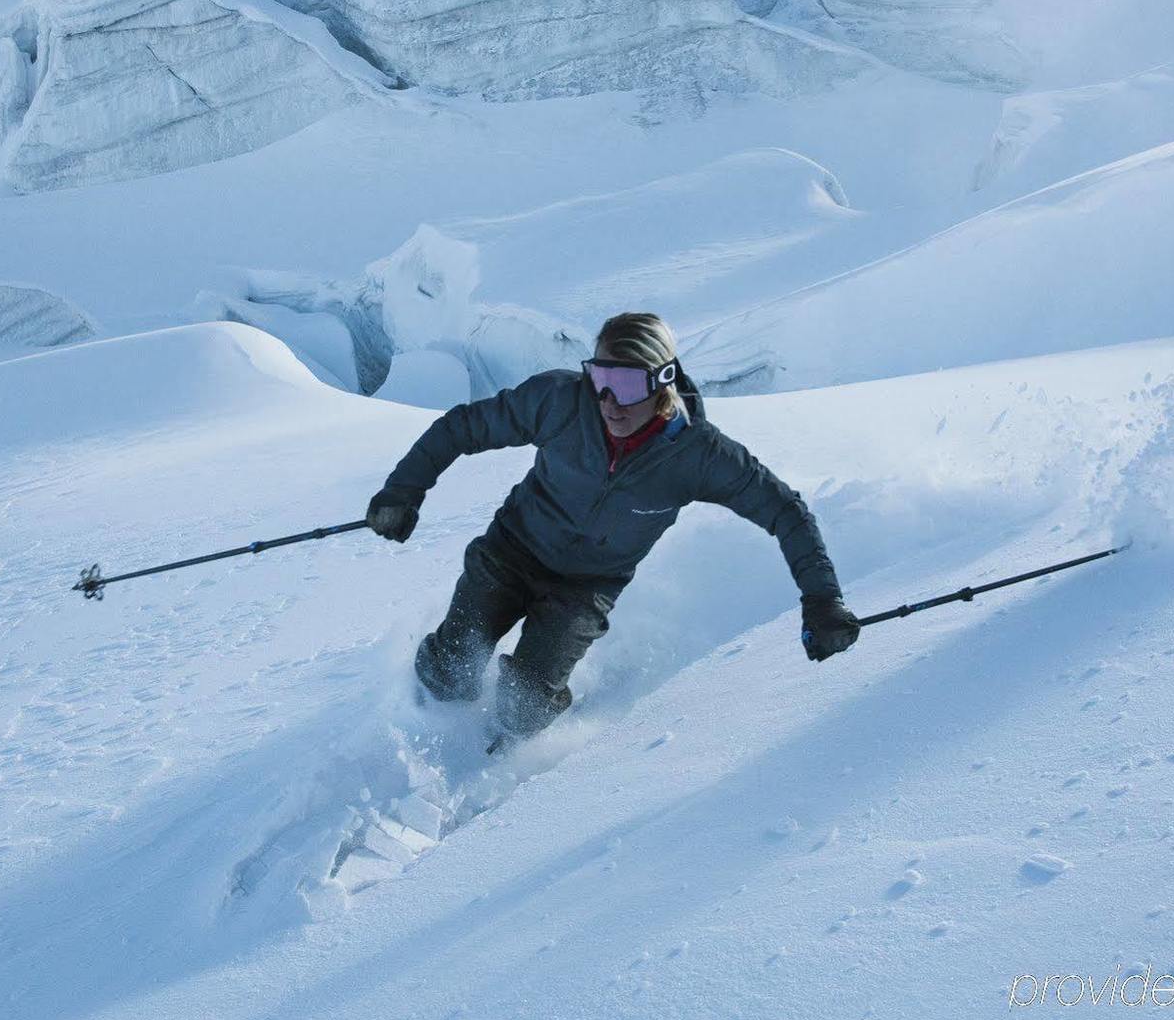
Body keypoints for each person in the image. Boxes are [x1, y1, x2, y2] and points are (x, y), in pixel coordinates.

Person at [366, 311, 860, 741]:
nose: (609, 401)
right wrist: (402, 491)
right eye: (601, 378)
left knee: (524, 705)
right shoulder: (562, 400)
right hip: (510, 552)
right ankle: (423, 719)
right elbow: (463, 427)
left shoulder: (697, 455)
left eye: (626, 385)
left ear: (662, 381)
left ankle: (510, 741)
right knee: (450, 671)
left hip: (585, 588)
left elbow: (784, 511)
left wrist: (823, 599)